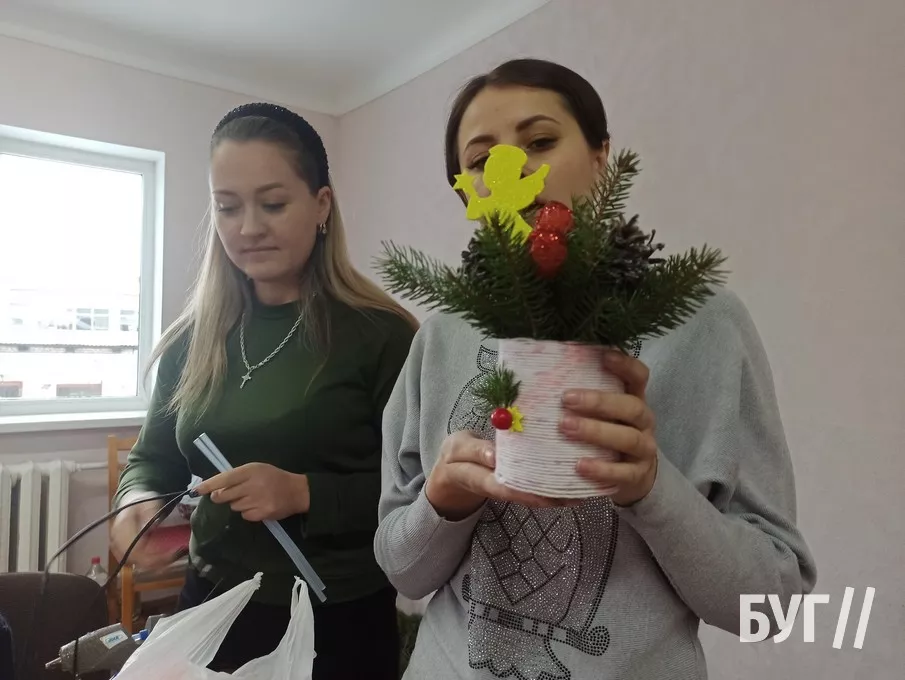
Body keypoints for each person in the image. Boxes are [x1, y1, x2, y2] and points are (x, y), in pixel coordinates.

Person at [374, 58, 817, 679]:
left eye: (540, 141)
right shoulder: (441, 337)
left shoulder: (703, 326)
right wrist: (442, 503)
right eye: (481, 160)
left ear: (601, 157)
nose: (513, 167)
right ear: (467, 191)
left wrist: (652, 489)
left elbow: (772, 608)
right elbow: (403, 571)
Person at [112, 102, 417, 679]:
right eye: (227, 207)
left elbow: (420, 493)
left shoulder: (382, 335)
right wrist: (138, 502)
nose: (248, 228)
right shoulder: (193, 340)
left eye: (273, 204)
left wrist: (305, 492)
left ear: (321, 205)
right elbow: (152, 459)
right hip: (210, 603)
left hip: (337, 617)